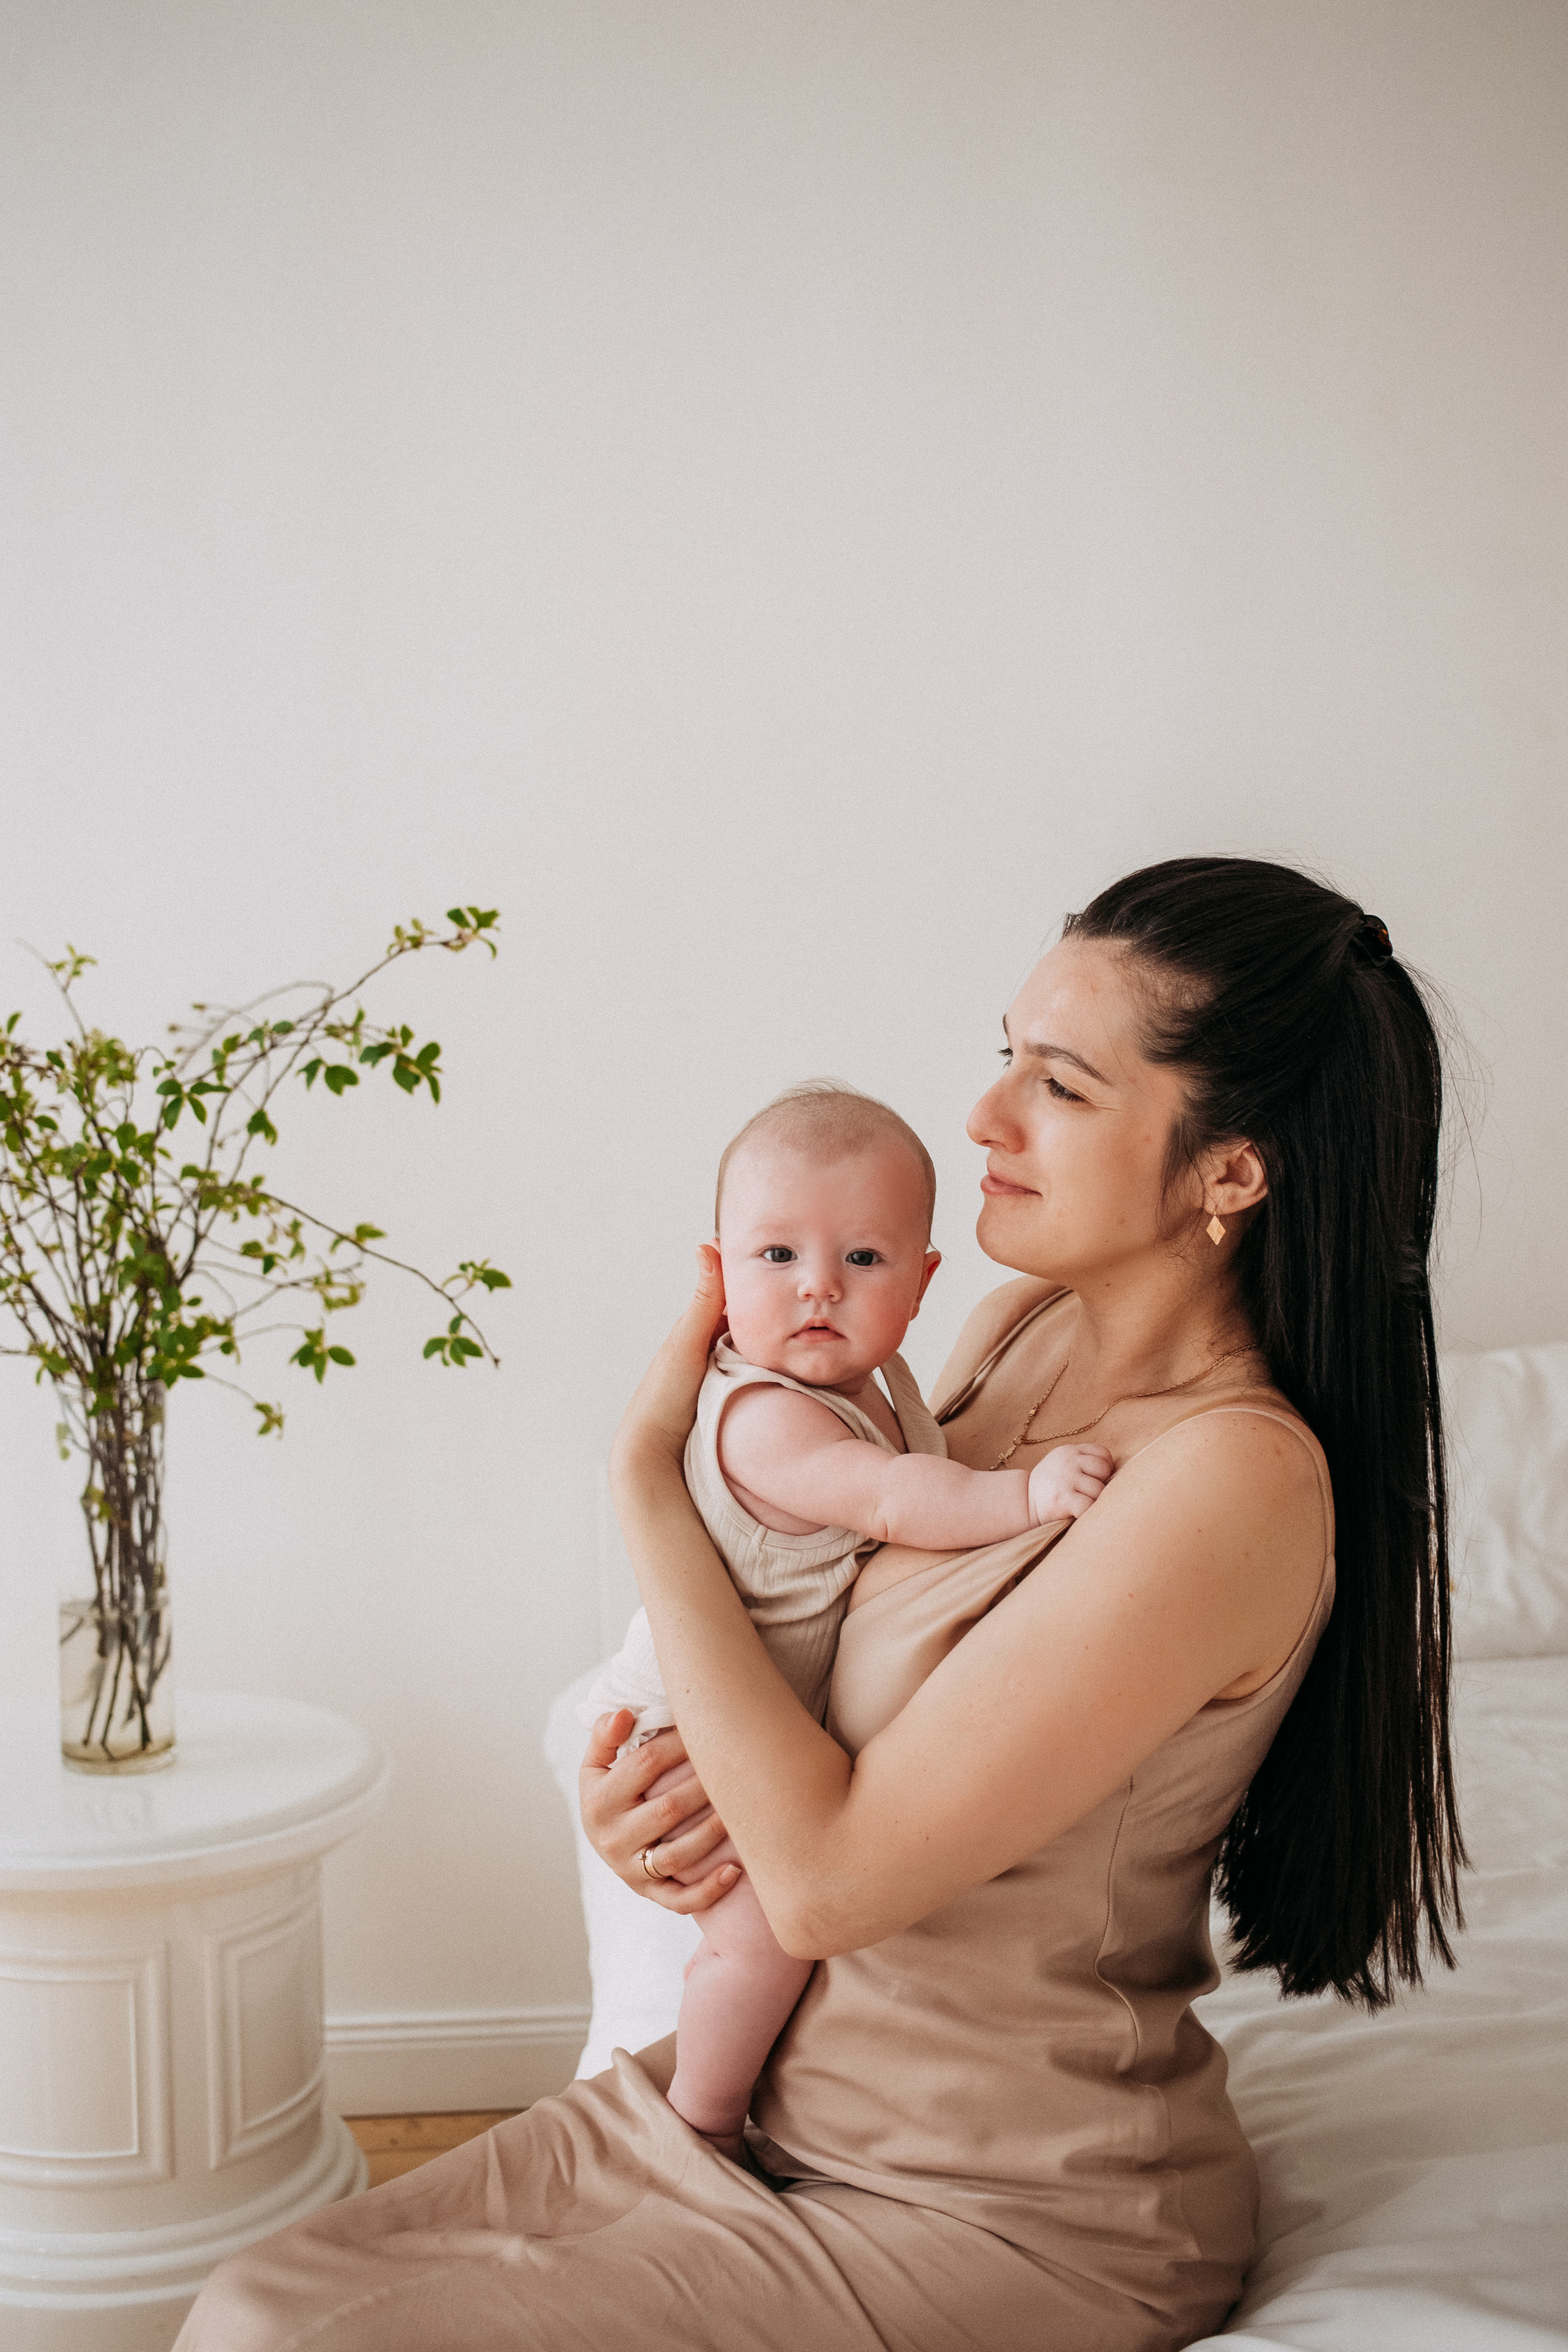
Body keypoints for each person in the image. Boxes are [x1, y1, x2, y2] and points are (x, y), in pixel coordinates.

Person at [176, 856, 1463, 2352]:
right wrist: (659, 1811)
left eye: (1057, 1084)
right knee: (257, 2299)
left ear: (1228, 1170)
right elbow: (809, 1679)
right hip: (771, 2105)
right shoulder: (1011, 1332)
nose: (981, 1117)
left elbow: (832, 1881)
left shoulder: (1225, 1482)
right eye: (1003, 1057)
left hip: (997, 2201)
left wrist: (646, 1485)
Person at [583, 1079, 1111, 2158]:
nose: (818, 1288)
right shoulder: (766, 1416)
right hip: (683, 1717)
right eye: (776, 1258)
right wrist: (1028, 1497)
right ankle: (705, 2118)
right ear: (718, 1271)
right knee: (762, 1940)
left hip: (752, 1698)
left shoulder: (884, 1378)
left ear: (920, 1284)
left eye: (862, 1261)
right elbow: (893, 1498)